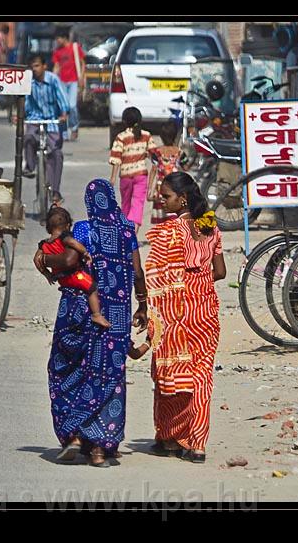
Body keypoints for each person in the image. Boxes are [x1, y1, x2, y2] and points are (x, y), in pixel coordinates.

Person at [36, 179, 147, 468]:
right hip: (118, 317)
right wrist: (143, 305)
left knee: (66, 367)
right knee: (109, 377)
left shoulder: (85, 229)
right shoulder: (126, 231)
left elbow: (70, 257)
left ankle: (74, 434)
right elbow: (136, 271)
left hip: (82, 311)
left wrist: (46, 259)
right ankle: (100, 448)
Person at [144, 171, 226, 463]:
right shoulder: (209, 226)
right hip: (206, 311)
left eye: (166, 196)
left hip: (176, 311)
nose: (160, 199)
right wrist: (199, 282)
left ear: (183, 198)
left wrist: (152, 317)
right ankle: (198, 444)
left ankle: (169, 438)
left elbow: (156, 278)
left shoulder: (168, 232)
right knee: (202, 377)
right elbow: (220, 272)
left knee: (170, 373)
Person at [35, 206, 111, 328]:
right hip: (74, 275)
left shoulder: (43, 244)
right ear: (67, 226)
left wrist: (46, 273)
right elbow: (73, 243)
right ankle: (96, 314)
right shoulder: (64, 238)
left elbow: (36, 259)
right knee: (92, 287)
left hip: (60, 278)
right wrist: (85, 253)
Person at [21, 54, 69, 204]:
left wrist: (64, 113)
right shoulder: (29, 82)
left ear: (44, 66)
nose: (34, 69)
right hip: (35, 119)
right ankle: (30, 167)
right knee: (28, 138)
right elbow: (26, 102)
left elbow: (62, 98)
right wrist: (21, 115)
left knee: (56, 154)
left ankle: (55, 191)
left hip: (53, 120)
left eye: (37, 65)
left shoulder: (53, 80)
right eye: (32, 66)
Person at [109, 107, 158, 233]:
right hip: (140, 175)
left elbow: (116, 158)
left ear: (124, 121)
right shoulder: (146, 135)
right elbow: (154, 154)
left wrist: (113, 178)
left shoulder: (121, 137)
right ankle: (133, 232)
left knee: (125, 203)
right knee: (138, 203)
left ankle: (124, 231)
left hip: (125, 176)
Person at [51, 28, 86, 142]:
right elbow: (56, 66)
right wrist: (52, 78)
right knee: (62, 107)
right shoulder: (57, 52)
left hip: (73, 81)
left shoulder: (75, 48)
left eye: (58, 38)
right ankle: (64, 132)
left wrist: (81, 76)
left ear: (64, 38)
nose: (57, 41)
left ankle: (74, 127)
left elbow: (82, 63)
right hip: (62, 82)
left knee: (72, 106)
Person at [148, 120, 183, 225]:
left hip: (160, 189)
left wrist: (150, 188)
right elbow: (185, 168)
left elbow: (154, 170)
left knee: (161, 218)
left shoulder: (157, 153)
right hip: (175, 189)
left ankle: (162, 238)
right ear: (175, 136)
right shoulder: (179, 152)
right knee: (173, 216)